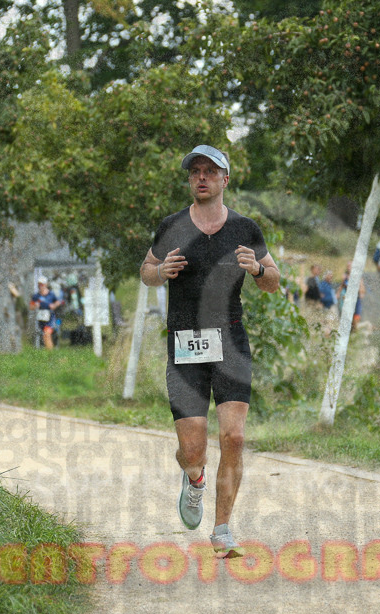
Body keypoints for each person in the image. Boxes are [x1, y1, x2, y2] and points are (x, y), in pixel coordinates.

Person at [139, 144, 280, 558]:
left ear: (225, 180)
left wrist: (256, 268)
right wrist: (159, 272)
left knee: (234, 436)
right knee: (194, 450)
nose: (201, 177)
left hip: (231, 342)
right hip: (185, 343)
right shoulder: (172, 226)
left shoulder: (245, 229)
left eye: (209, 171)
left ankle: (222, 530)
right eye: (194, 171)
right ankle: (194, 478)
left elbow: (273, 279)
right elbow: (146, 270)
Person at [30, 275, 63, 349]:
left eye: (42, 284)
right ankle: (49, 352)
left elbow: (58, 302)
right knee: (45, 335)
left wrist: (53, 305)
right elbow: (31, 307)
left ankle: (50, 353)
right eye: (39, 284)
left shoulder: (51, 294)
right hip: (41, 317)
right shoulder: (36, 296)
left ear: (46, 285)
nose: (40, 286)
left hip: (50, 316)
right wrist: (35, 305)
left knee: (47, 334)